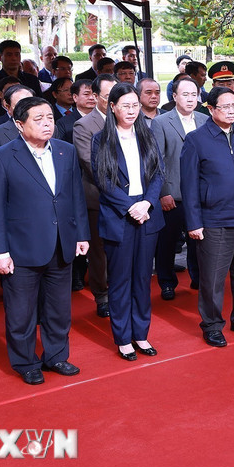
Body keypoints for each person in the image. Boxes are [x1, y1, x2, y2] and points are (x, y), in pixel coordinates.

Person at [0, 97, 89, 384]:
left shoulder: (66, 152)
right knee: (21, 313)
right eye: (38, 119)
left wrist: (81, 234)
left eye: (49, 118)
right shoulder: (2, 156)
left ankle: (57, 356)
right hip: (20, 248)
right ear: (19, 124)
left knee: (59, 309)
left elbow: (75, 197)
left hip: (61, 242)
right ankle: (25, 362)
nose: (47, 124)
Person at [181, 86, 234, 348]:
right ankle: (212, 324)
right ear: (210, 108)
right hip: (214, 219)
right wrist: (194, 222)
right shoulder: (196, 139)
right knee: (213, 278)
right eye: (225, 107)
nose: (231, 111)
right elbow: (189, 185)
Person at [92, 83, 165, 361]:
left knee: (143, 279)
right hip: (119, 215)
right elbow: (103, 180)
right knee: (121, 281)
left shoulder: (148, 133)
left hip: (147, 212)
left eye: (135, 105)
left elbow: (159, 172)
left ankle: (141, 334)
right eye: (126, 105)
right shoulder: (102, 139)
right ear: (112, 107)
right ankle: (123, 338)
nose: (132, 110)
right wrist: (130, 206)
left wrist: (147, 203)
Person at [151, 77, 207, 300]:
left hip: (199, 193)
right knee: (167, 241)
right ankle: (166, 281)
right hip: (173, 194)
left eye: (194, 94)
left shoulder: (205, 120)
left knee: (199, 240)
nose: (191, 99)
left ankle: (198, 277)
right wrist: (163, 192)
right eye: (185, 94)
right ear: (174, 97)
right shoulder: (162, 122)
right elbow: (157, 160)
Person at [73, 73, 117, 318]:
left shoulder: (130, 118)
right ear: (96, 96)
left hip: (129, 198)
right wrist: (121, 183)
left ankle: (122, 291)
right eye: (108, 95)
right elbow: (90, 162)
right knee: (99, 252)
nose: (113, 100)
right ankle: (102, 296)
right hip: (98, 198)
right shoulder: (85, 125)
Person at [0, 40, 42, 112]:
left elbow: (40, 103)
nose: (14, 58)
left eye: (17, 54)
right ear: (0, 57)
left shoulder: (32, 79)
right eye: (9, 55)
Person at [0, 84, 35, 151]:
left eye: (29, 104)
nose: (26, 109)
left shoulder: (50, 128)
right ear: (8, 107)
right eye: (20, 105)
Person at [55, 78, 95, 143]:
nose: (91, 98)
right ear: (75, 97)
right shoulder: (63, 123)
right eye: (86, 94)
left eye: (94, 94)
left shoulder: (104, 118)